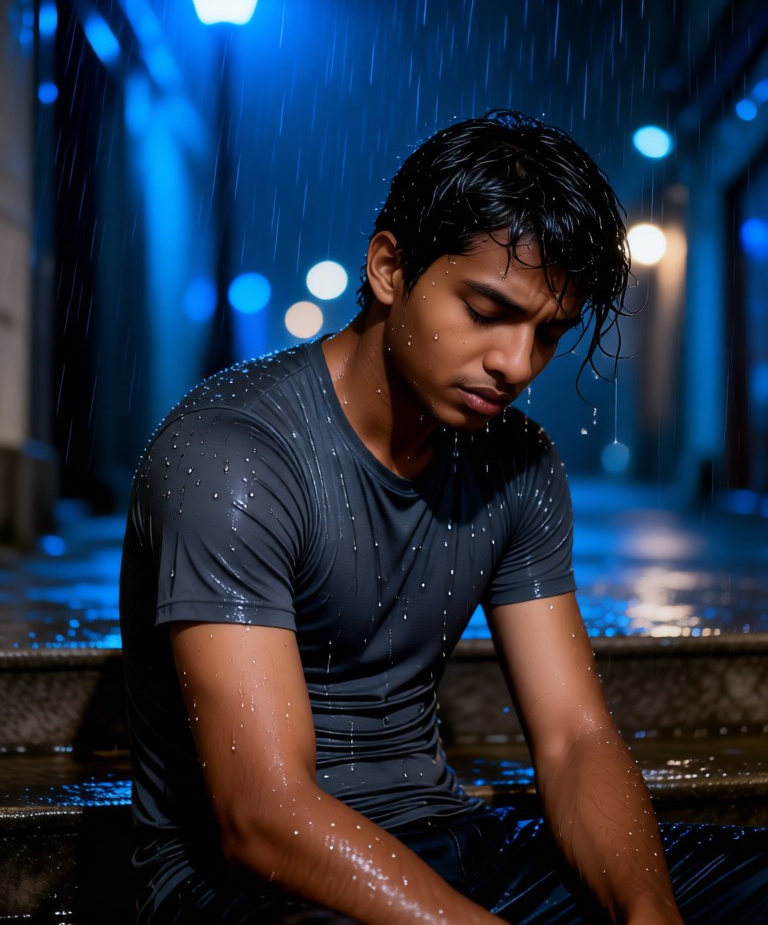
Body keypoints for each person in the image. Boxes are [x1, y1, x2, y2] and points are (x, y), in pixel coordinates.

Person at [119, 110, 767, 925]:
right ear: (390, 268)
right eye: (487, 311)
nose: (515, 363)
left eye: (547, 333)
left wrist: (648, 912)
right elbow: (263, 814)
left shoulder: (517, 461)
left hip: (449, 838)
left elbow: (572, 738)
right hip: (243, 886)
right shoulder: (233, 456)